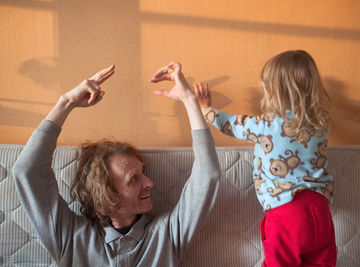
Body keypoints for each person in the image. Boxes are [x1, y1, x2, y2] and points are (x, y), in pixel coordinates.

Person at [12, 62, 221, 266]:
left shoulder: (166, 233)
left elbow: (207, 176)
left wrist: (189, 100)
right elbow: (27, 172)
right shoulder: (71, 236)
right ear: (107, 193)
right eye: (134, 178)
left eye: (143, 172)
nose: (149, 182)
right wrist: (66, 102)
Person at [195, 50, 337, 266]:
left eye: (266, 82)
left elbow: (231, 124)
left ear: (278, 90)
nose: (261, 85)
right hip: (320, 209)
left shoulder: (266, 126)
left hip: (287, 212)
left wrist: (205, 109)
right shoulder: (321, 125)